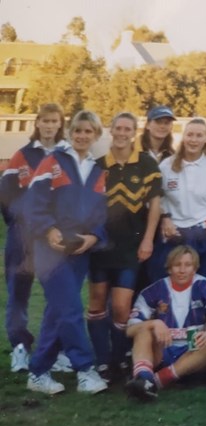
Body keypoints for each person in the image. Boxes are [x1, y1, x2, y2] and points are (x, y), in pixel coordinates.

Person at [25, 110, 109, 395]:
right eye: (77, 130)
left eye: (88, 131)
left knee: (57, 310)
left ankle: (38, 372)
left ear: (96, 135)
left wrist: (93, 236)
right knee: (71, 308)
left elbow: (100, 212)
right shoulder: (53, 162)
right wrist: (48, 228)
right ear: (70, 132)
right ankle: (85, 370)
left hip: (79, 250)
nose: (82, 136)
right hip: (50, 248)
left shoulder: (98, 170)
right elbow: (33, 202)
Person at [87, 112, 163, 382]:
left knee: (121, 307)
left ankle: (119, 359)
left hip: (131, 245)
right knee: (96, 303)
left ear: (134, 132)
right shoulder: (97, 165)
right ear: (111, 130)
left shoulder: (145, 164)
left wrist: (148, 239)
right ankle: (101, 361)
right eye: (117, 127)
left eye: (127, 129)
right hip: (100, 246)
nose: (122, 133)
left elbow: (155, 205)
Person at [0, 103, 66, 373]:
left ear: (60, 125)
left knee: (57, 294)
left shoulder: (67, 156)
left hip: (53, 236)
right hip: (23, 236)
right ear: (37, 123)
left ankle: (56, 350)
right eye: (45, 121)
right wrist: (19, 220)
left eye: (55, 121)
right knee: (19, 292)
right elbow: (5, 194)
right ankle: (20, 347)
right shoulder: (21, 156)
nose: (50, 126)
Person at [124, 245, 206, 401]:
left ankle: (157, 381)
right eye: (177, 265)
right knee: (143, 331)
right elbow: (130, 329)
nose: (182, 270)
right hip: (163, 349)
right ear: (169, 268)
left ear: (195, 269)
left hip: (192, 351)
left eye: (187, 265)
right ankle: (145, 377)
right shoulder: (154, 290)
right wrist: (154, 323)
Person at [155, 118, 206, 285]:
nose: (194, 140)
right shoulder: (166, 166)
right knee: (171, 287)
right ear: (183, 137)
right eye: (190, 134)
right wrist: (165, 218)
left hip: (204, 235)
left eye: (199, 135)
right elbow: (156, 199)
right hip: (174, 236)